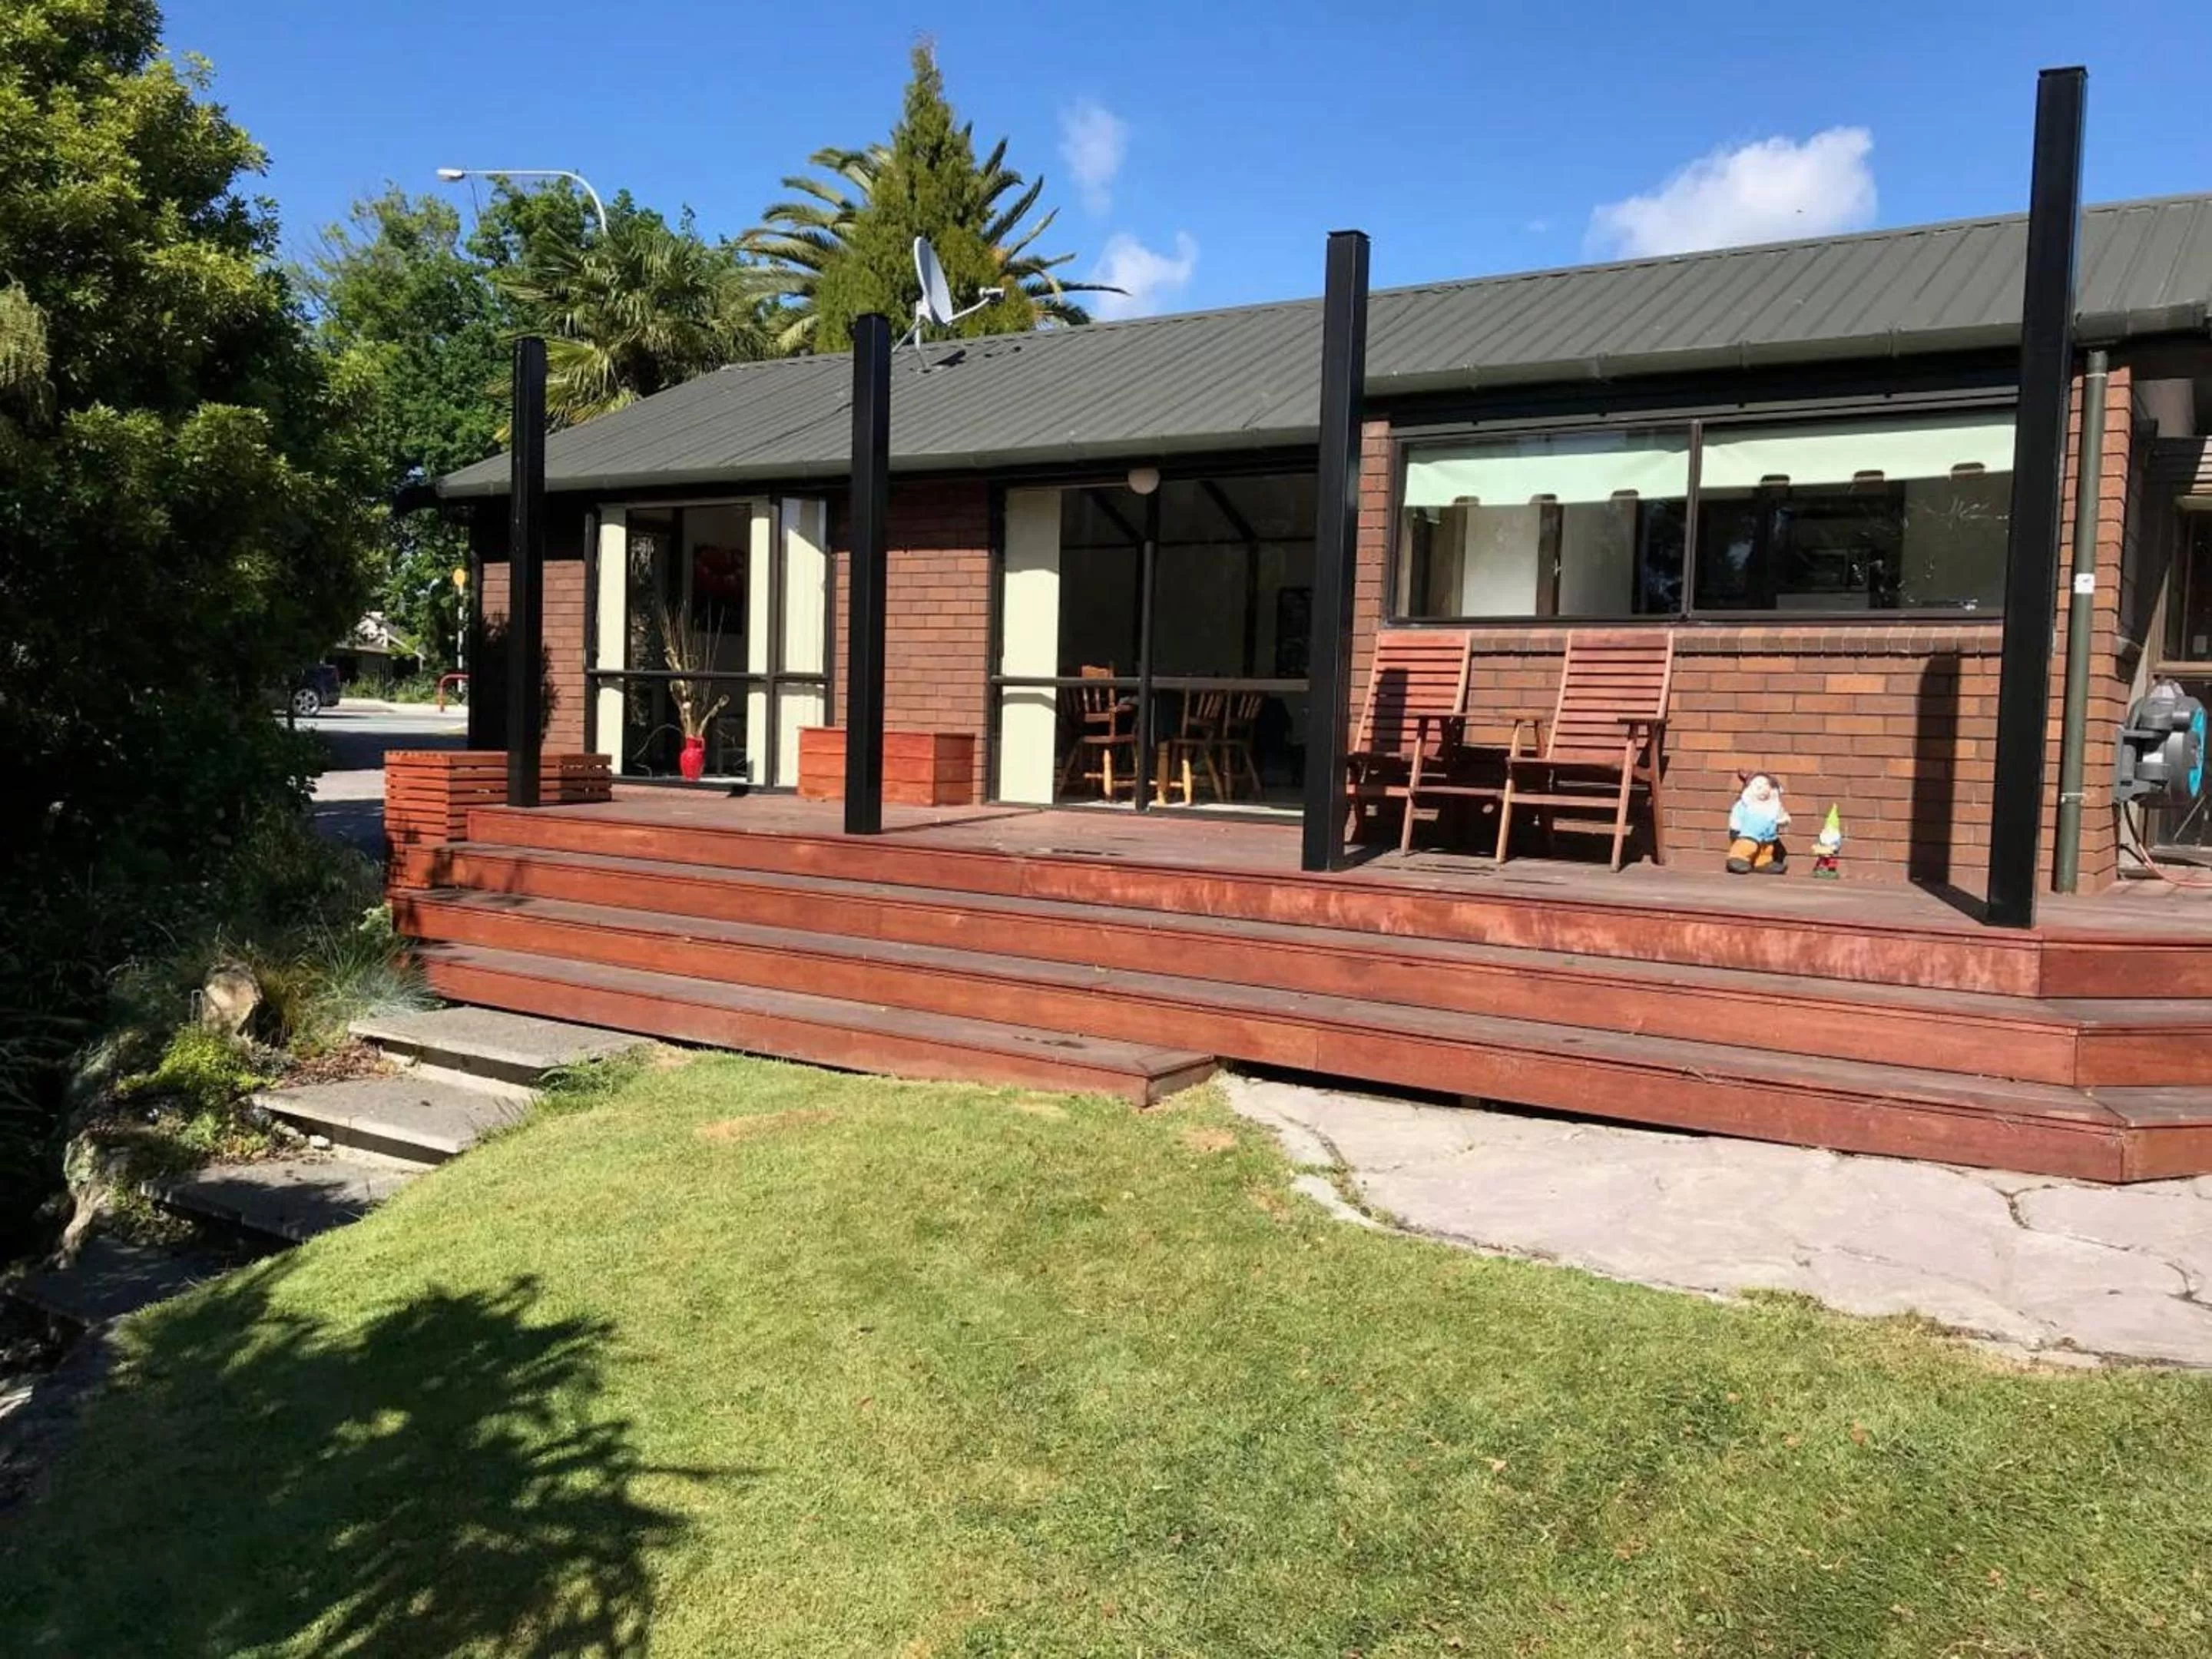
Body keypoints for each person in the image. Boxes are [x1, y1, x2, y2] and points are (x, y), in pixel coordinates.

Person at [1727, 771, 1790, 874]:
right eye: (1759, 787)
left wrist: (1783, 820)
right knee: (1746, 847)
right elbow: (1736, 817)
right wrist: (1735, 829)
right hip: (1748, 835)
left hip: (1767, 838)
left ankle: (1763, 864)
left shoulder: (1773, 805)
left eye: (1767, 788)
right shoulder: (1746, 804)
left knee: (1766, 851)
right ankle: (1738, 859)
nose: (1764, 792)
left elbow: (1781, 817)